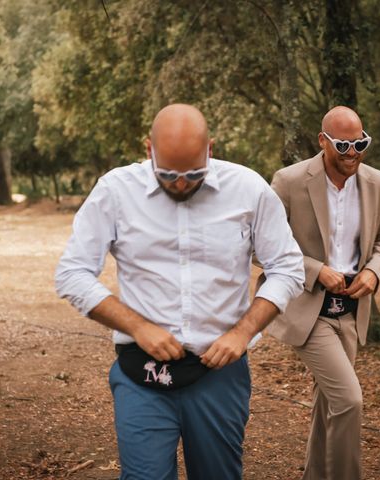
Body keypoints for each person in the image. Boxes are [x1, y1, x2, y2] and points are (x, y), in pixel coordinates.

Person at [55, 104, 305, 480]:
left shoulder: (248, 189)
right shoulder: (115, 191)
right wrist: (139, 328)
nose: (182, 184)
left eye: (194, 173)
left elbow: (287, 267)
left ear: (211, 150)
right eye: (168, 174)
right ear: (148, 150)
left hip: (220, 374)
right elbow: (73, 273)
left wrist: (243, 332)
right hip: (142, 372)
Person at [265, 106, 380, 479]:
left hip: (353, 312)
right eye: (343, 144)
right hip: (309, 311)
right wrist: (314, 270)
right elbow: (262, 245)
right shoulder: (289, 181)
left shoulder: (378, 182)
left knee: (329, 404)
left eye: (360, 143)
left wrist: (373, 271)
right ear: (323, 141)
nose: (353, 151)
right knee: (348, 400)